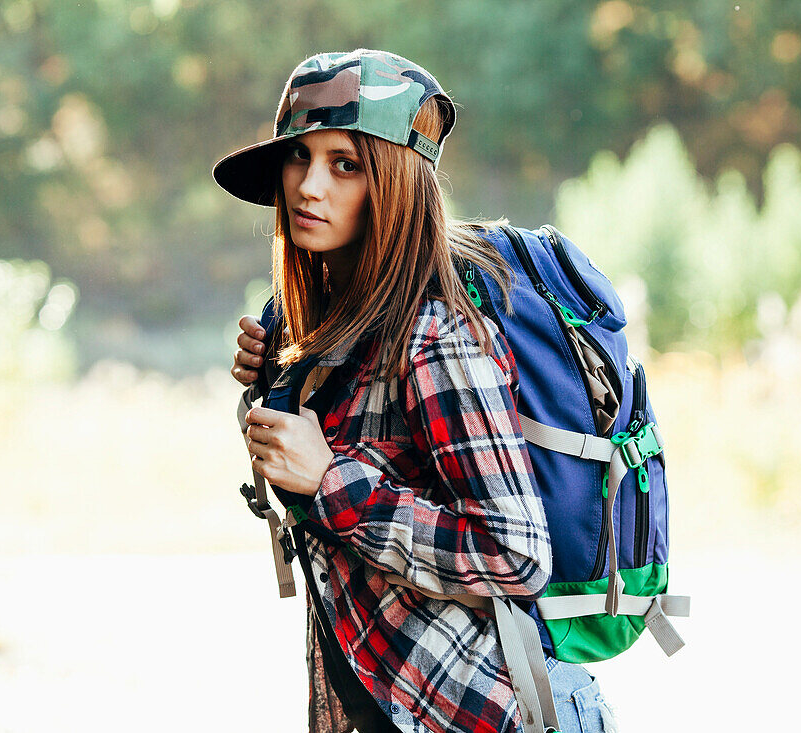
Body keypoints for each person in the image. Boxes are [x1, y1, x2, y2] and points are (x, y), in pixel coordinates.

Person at [215, 49, 610, 733]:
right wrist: (270, 383)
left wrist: (331, 481)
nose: (310, 186)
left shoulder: (434, 335)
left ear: (394, 182)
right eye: (298, 157)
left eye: (347, 164)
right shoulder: (328, 329)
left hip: (492, 713)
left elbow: (517, 555)